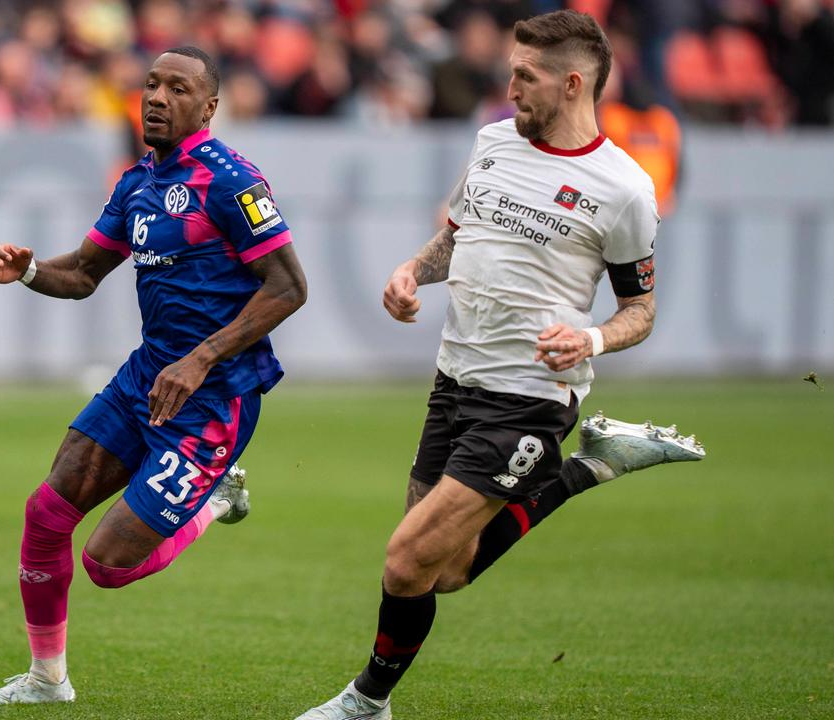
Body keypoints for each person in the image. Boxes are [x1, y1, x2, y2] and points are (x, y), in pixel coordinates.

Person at [296, 11, 702, 719]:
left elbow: (640, 310)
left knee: (405, 560)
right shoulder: (493, 141)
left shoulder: (624, 188)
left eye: (525, 76)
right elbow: (457, 235)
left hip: (529, 396)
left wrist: (592, 340)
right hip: (455, 377)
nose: (509, 87)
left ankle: (366, 703)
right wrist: (411, 271)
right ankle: (588, 468)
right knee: (444, 570)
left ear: (572, 84)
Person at [0, 46, 307, 706]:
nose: (156, 97)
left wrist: (201, 358)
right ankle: (46, 680)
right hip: (146, 380)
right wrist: (30, 270)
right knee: (45, 514)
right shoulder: (136, 183)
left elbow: (289, 287)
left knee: (106, 565)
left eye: (177, 88)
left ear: (208, 107)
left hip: (214, 399)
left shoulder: (231, 181)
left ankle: (215, 500)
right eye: (151, 84)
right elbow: (82, 274)